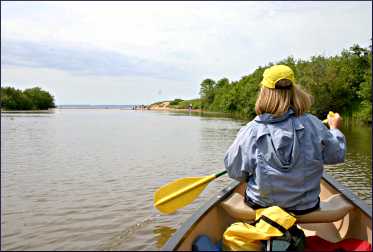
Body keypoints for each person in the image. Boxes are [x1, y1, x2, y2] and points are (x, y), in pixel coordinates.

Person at [224, 65, 346, 215]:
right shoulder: (314, 123)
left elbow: (236, 173)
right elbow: (336, 155)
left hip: (261, 206)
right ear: (295, 91)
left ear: (264, 93)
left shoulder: (251, 130)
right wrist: (335, 129)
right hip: (306, 207)